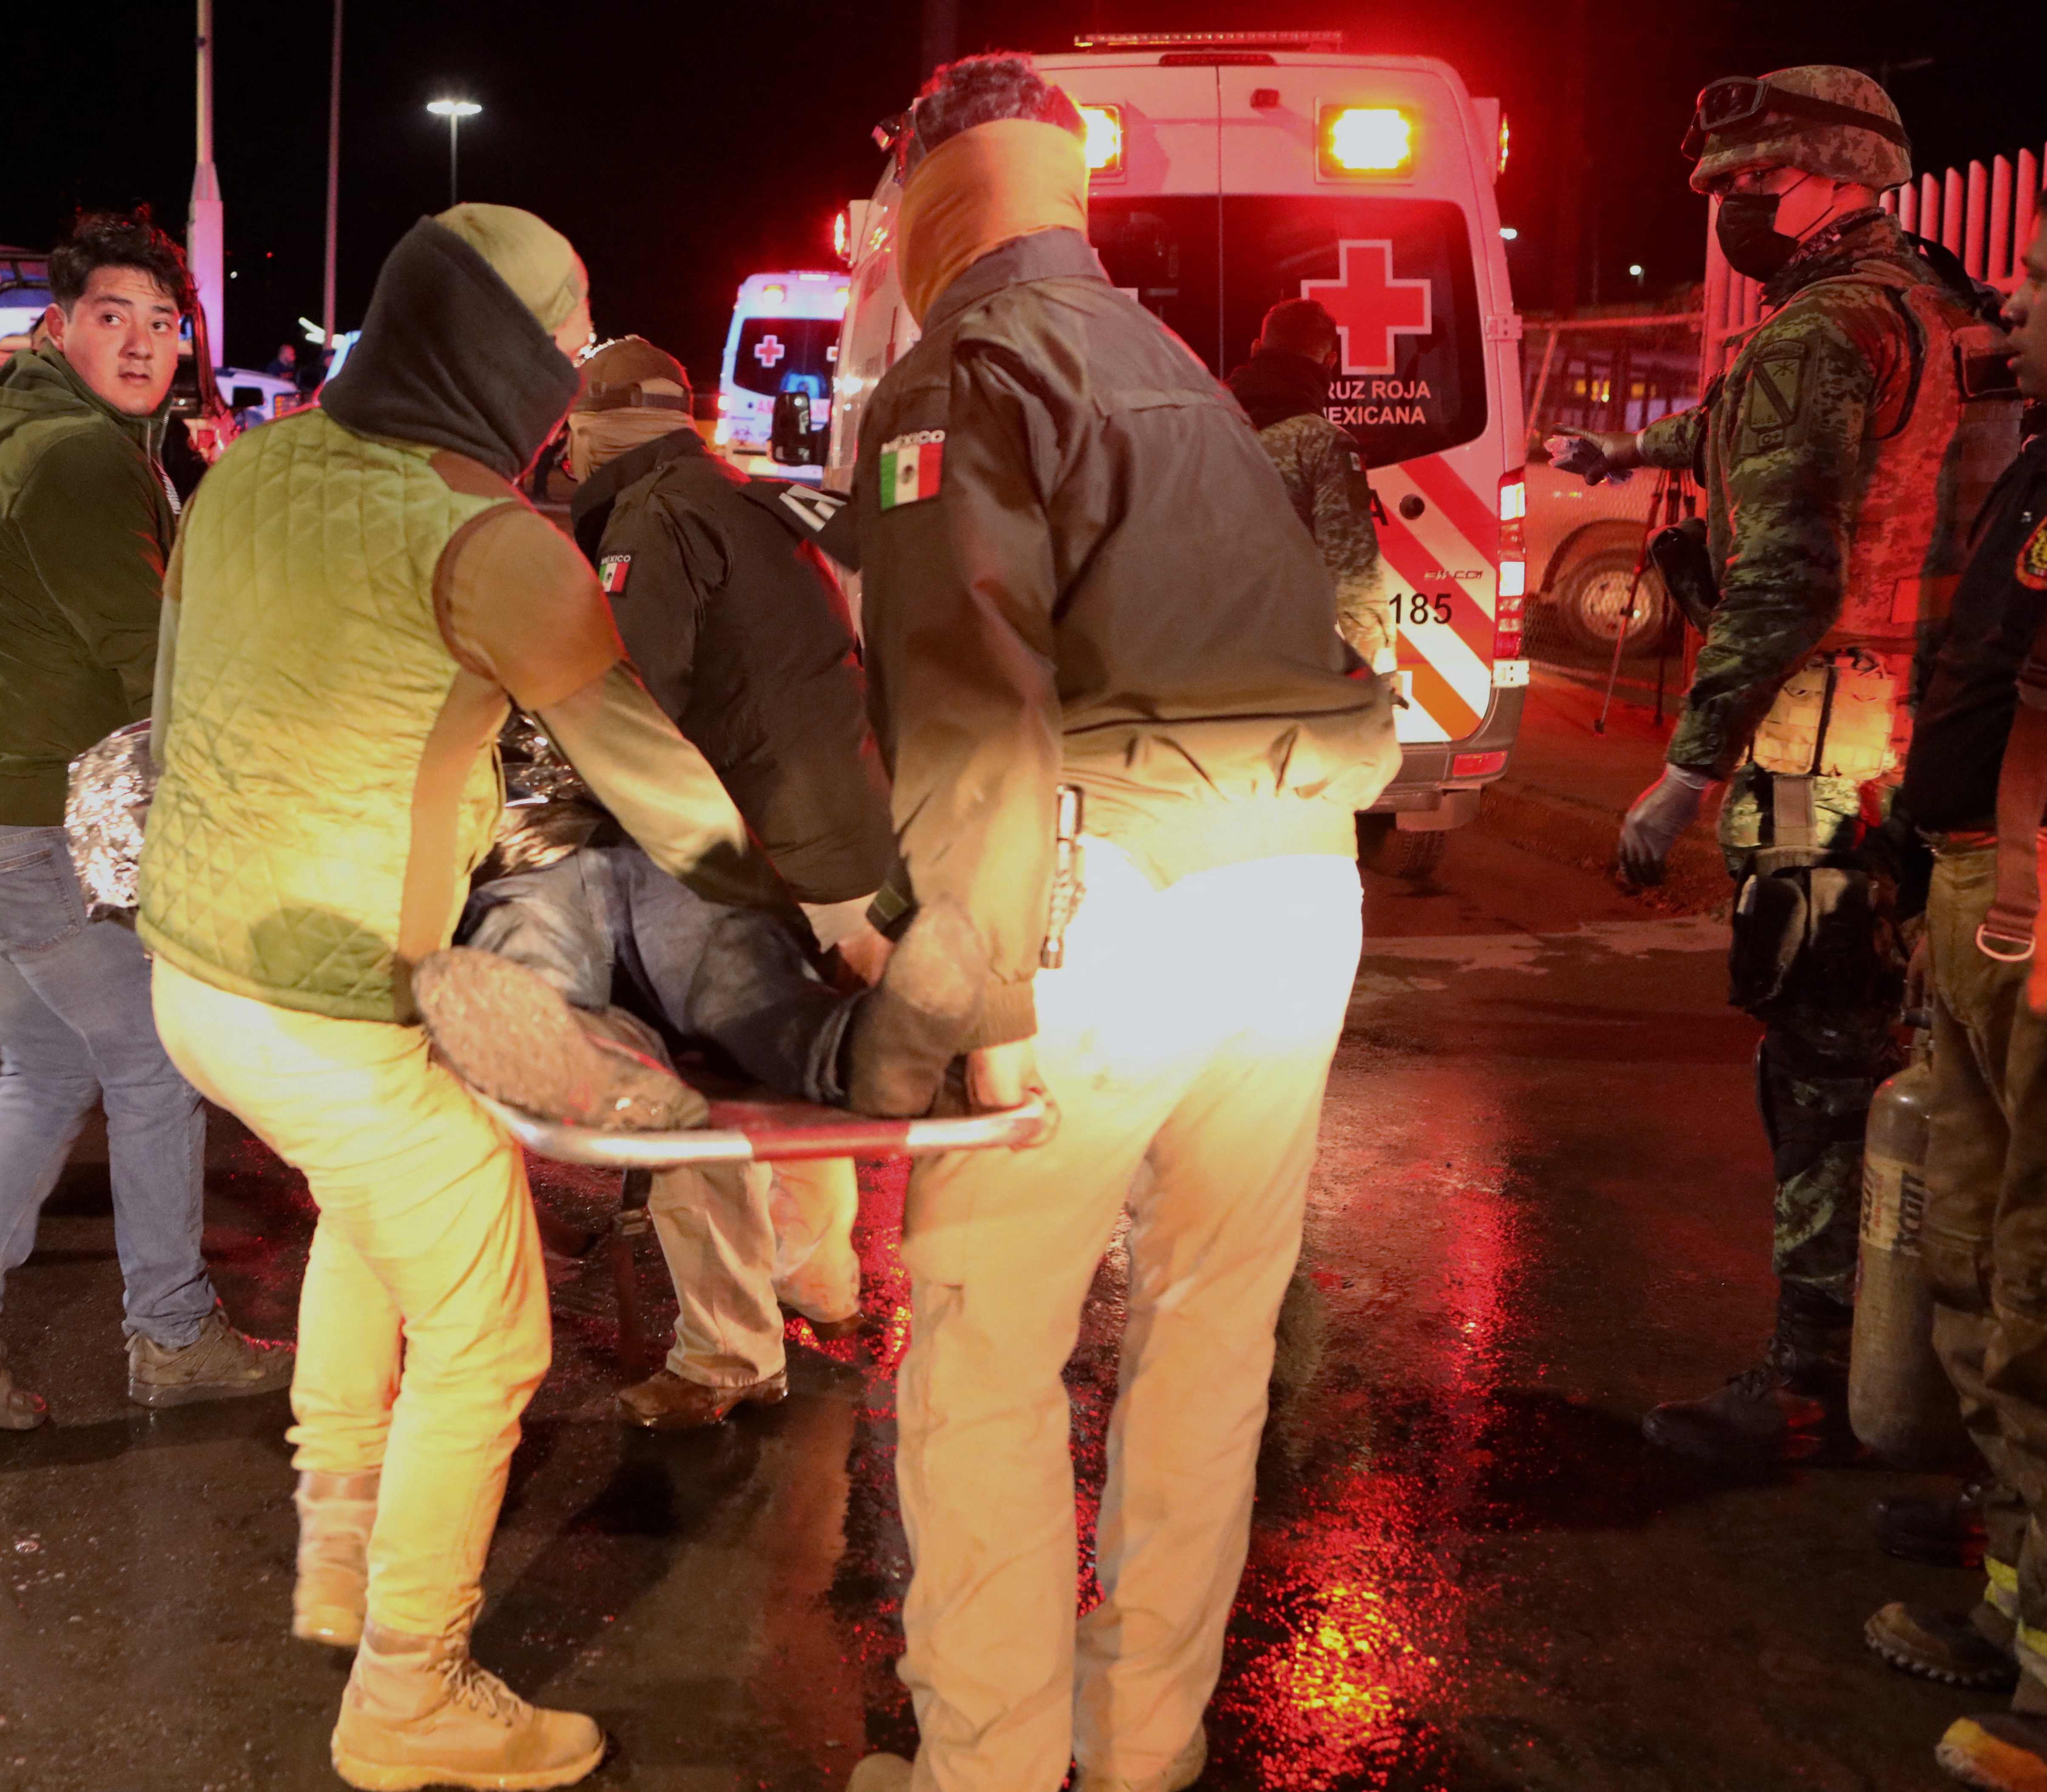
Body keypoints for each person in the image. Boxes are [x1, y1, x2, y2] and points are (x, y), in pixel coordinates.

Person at [139, 204, 799, 1791]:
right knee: (493, 1338)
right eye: (560, 360)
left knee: (377, 1236)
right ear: (514, 362)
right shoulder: (491, 540)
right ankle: (407, 1695)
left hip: (193, 979)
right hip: (335, 1012)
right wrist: (823, 925)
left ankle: (338, 1563)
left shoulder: (256, 467)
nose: (566, 396)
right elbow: (662, 792)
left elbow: (181, 698)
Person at [833, 54, 1398, 1792]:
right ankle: (1139, 1738)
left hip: (1108, 904)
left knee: (986, 1348)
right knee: (1210, 1330)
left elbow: (967, 710)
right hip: (1300, 890)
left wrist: (957, 990)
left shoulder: (962, 369)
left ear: (925, 187)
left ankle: (982, 1769)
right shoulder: (1179, 369)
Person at [1551, 66, 2016, 1470]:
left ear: (1816, 175)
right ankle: (1922, 1368)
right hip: (1933, 736)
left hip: (1822, 743)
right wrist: (1613, 445)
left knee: (1815, 1061)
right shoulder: (1932, 310)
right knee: (1919, 1057)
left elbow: (1791, 567)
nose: (1720, 211)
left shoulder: (1821, 332)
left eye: (1739, 187)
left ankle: (1810, 1378)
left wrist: (1684, 774)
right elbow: (1748, 439)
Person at [0, 213, 291, 1433]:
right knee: (154, 1062)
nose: (143, 342)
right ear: (63, 327)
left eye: (164, 323)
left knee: (51, 1063)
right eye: (114, 316)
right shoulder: (79, 457)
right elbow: (152, 665)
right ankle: (170, 1336)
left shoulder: (20, 427)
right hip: (14, 836)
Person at [455, 335, 896, 1430]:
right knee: (799, 1081)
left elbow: (626, 704)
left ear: (590, 426)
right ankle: (818, 1278)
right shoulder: (751, 498)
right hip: (845, 844)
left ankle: (726, 1353)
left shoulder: (651, 521)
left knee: (695, 1114)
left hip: (757, 856)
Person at [1857, 153, 2047, 1792]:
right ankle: (2020, 1609)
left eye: (2034, 273)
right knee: (1967, 1264)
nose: (2009, 298)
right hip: (1980, 903)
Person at [1226, 297, 1397, 666]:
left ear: (1257, 349)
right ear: (1330, 362)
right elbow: (1353, 570)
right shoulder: (1326, 445)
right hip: (1283, 660)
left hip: (1193, 655)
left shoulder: (1201, 422)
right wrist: (1379, 671)